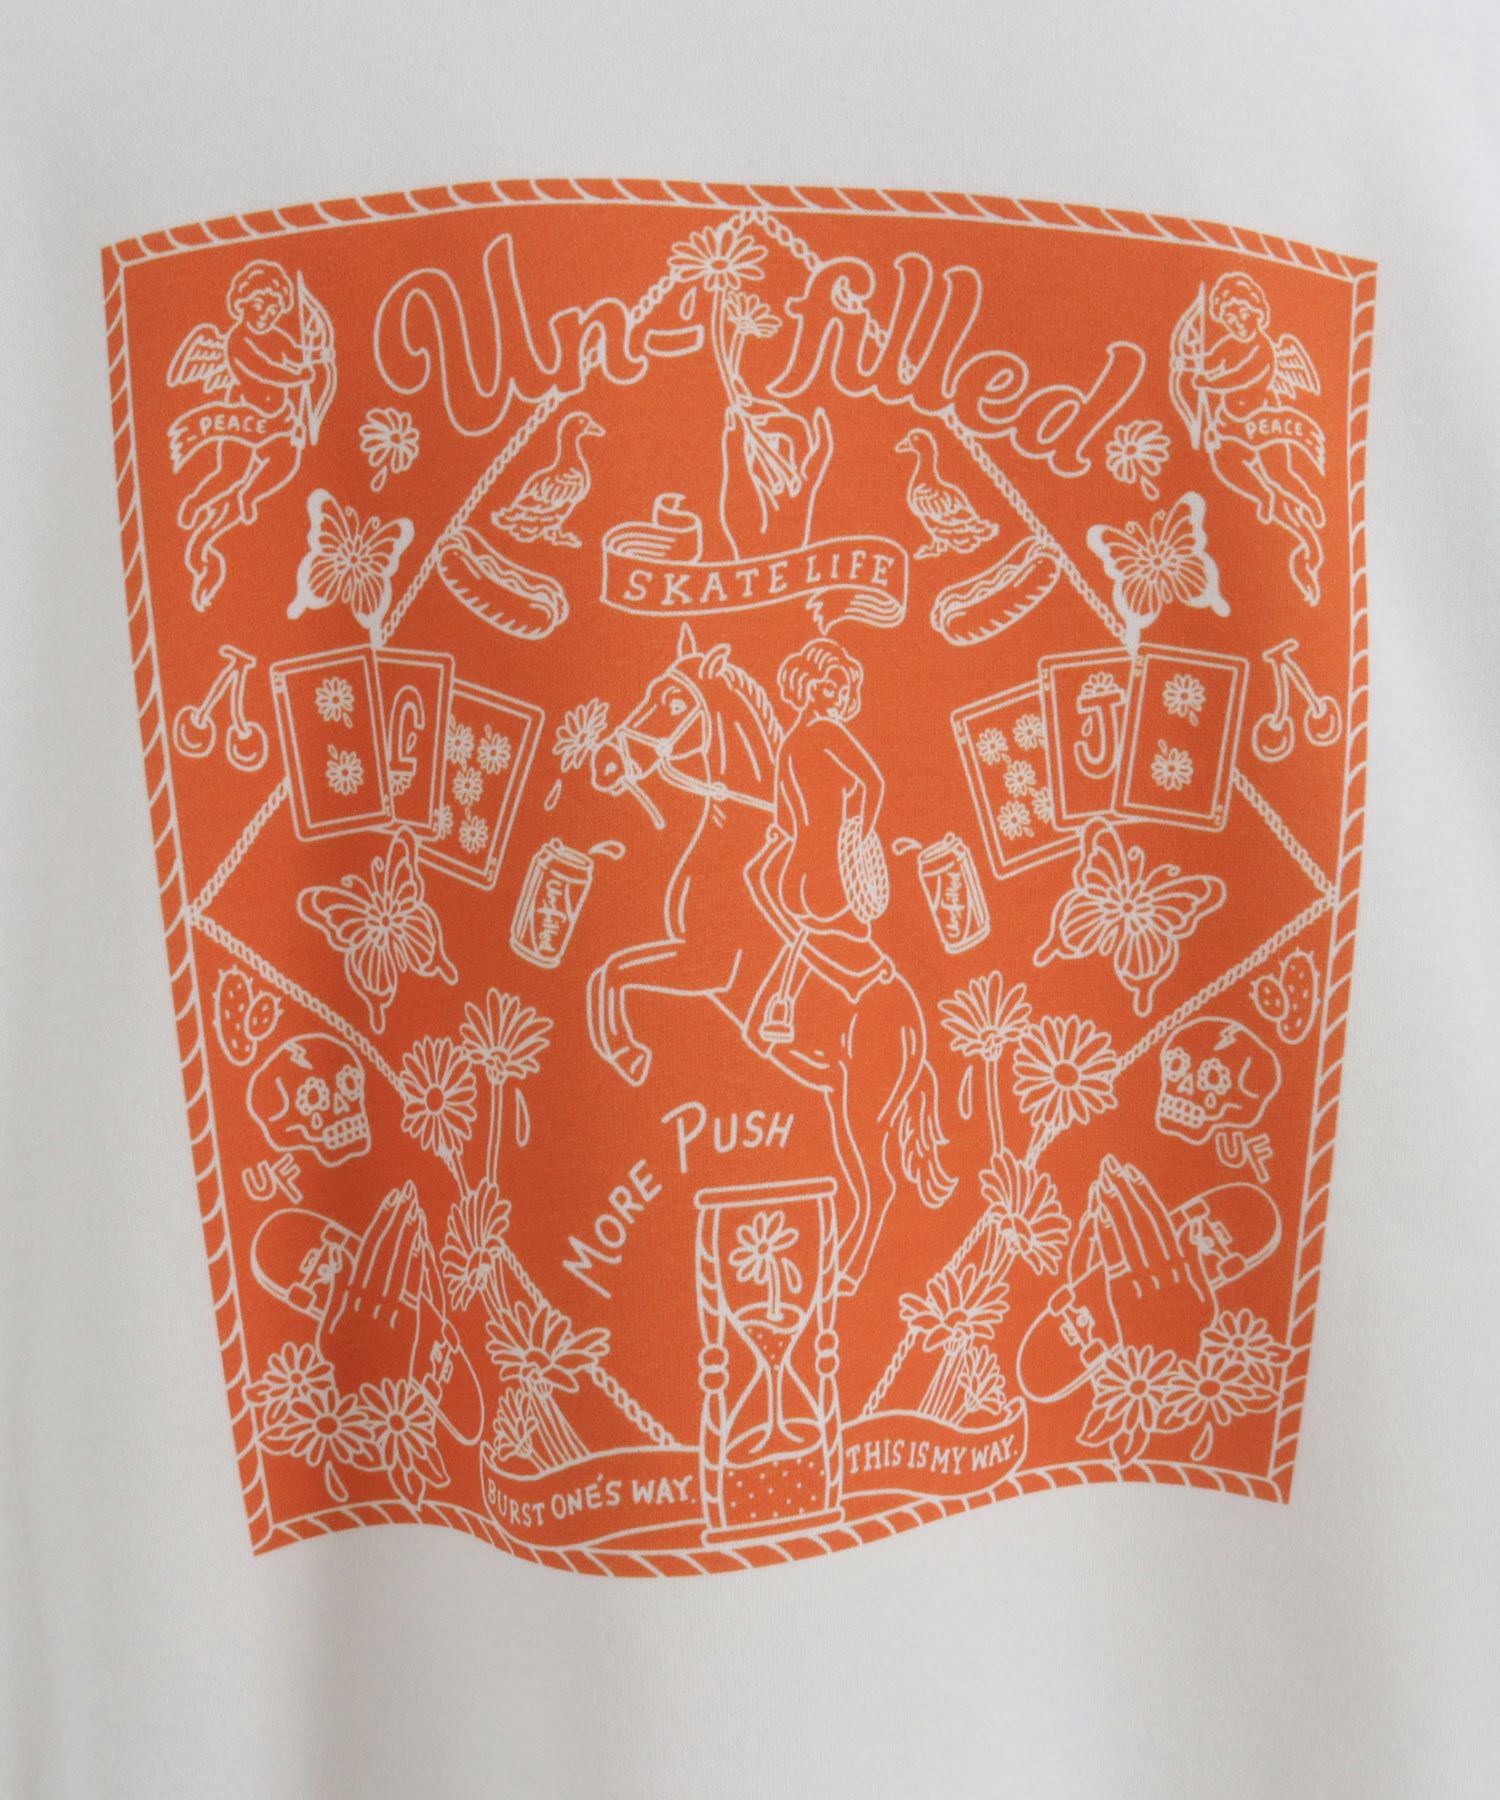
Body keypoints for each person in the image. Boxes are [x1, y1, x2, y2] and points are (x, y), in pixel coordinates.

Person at [748, 636, 889, 1043]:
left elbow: (784, 822)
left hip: (794, 880)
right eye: (831, 686)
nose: (838, 697)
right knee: (858, 941)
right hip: (835, 878)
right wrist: (858, 840)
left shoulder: (789, 745)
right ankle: (856, 997)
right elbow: (874, 782)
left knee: (807, 935)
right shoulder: (826, 731)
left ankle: (782, 1006)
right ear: (808, 685)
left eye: (842, 690)